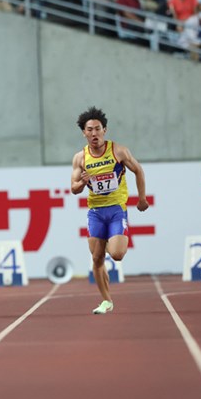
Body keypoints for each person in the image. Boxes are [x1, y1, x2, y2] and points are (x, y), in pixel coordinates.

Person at [70, 107, 148, 315]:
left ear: (104, 130)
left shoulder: (118, 151)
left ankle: (108, 241)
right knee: (96, 259)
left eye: (97, 129)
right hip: (95, 211)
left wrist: (141, 198)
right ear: (84, 133)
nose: (94, 133)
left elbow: (138, 170)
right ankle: (106, 301)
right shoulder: (80, 158)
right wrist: (82, 182)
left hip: (116, 210)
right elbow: (74, 188)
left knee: (117, 254)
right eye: (89, 130)